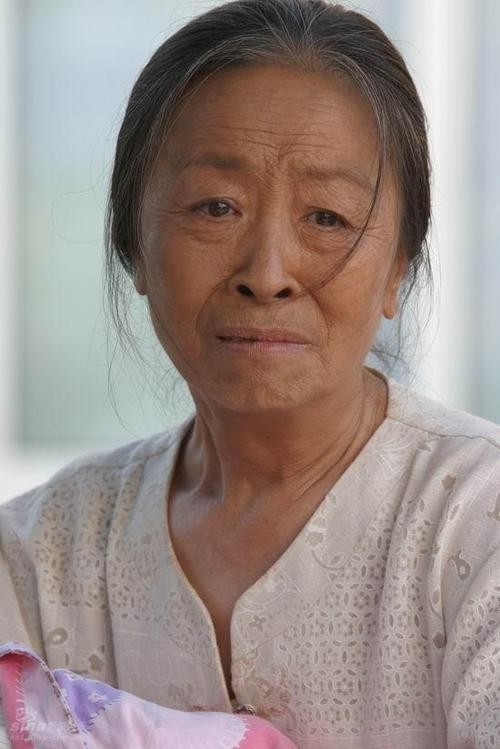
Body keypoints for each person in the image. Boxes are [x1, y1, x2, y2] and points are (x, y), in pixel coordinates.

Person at [1, 0, 499, 747]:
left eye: (327, 217)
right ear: (133, 243)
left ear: (399, 266)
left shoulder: (479, 524)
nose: (267, 274)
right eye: (216, 207)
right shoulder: (39, 556)